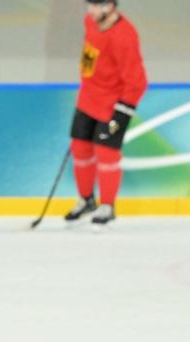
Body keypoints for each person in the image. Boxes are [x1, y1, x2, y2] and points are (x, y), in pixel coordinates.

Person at [65, 0, 147, 226]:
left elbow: (137, 81)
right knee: (80, 149)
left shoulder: (124, 36)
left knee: (106, 153)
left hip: (113, 104)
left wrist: (123, 110)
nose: (89, 11)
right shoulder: (90, 22)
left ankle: (107, 205)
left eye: (95, 5)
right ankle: (85, 199)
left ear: (110, 6)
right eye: (88, 5)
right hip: (87, 99)